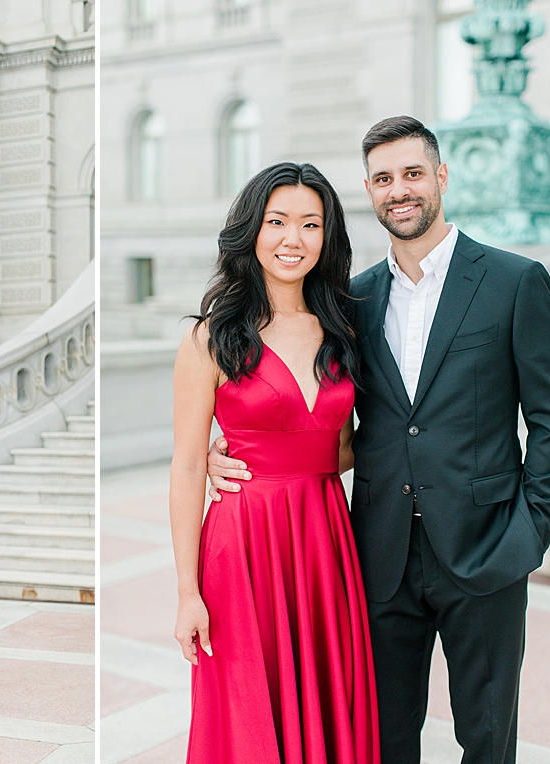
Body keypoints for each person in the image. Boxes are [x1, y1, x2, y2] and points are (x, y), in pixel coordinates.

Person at [208, 116, 550, 764]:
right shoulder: (352, 301)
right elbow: (332, 418)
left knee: (488, 736)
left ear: (440, 176)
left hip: (486, 549)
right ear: (369, 190)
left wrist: (530, 533)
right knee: (381, 737)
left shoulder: (513, 282)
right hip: (377, 557)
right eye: (383, 178)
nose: (398, 190)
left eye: (411, 174)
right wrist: (234, 452)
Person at [171, 162, 379, 763]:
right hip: (244, 541)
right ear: (251, 231)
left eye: (311, 225)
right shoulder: (210, 337)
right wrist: (188, 592)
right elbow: (186, 466)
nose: (294, 239)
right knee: (247, 706)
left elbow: (343, 446)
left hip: (324, 537)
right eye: (278, 221)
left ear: (327, 237)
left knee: (326, 694)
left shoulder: (344, 328)